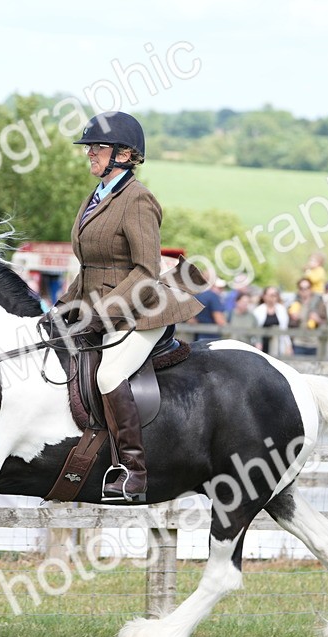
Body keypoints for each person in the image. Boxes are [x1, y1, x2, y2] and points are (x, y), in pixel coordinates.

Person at [51, 111, 203, 503]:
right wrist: (62, 306)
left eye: (97, 148)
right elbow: (91, 267)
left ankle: (133, 472)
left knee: (108, 374)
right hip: (101, 304)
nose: (90, 155)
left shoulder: (138, 200)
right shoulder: (96, 196)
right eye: (89, 149)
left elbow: (145, 269)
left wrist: (104, 314)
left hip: (141, 308)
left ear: (125, 154)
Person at [287, 278, 324, 357]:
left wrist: (318, 320)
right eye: (301, 288)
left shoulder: (319, 303)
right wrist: (292, 318)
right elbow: (287, 325)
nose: (304, 291)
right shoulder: (295, 303)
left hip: (314, 343)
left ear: (311, 289)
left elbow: (326, 323)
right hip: (298, 342)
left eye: (307, 288)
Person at [252, 286, 290, 357]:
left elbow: (285, 329)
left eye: (275, 295)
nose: (273, 297)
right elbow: (255, 329)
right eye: (271, 295)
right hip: (262, 345)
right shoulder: (258, 311)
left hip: (277, 346)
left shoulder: (282, 310)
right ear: (264, 296)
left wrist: (288, 346)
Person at [191, 278, 226, 342]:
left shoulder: (196, 295)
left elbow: (191, 320)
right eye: (219, 288)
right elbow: (219, 320)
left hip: (198, 336)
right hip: (212, 337)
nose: (221, 290)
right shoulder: (213, 296)